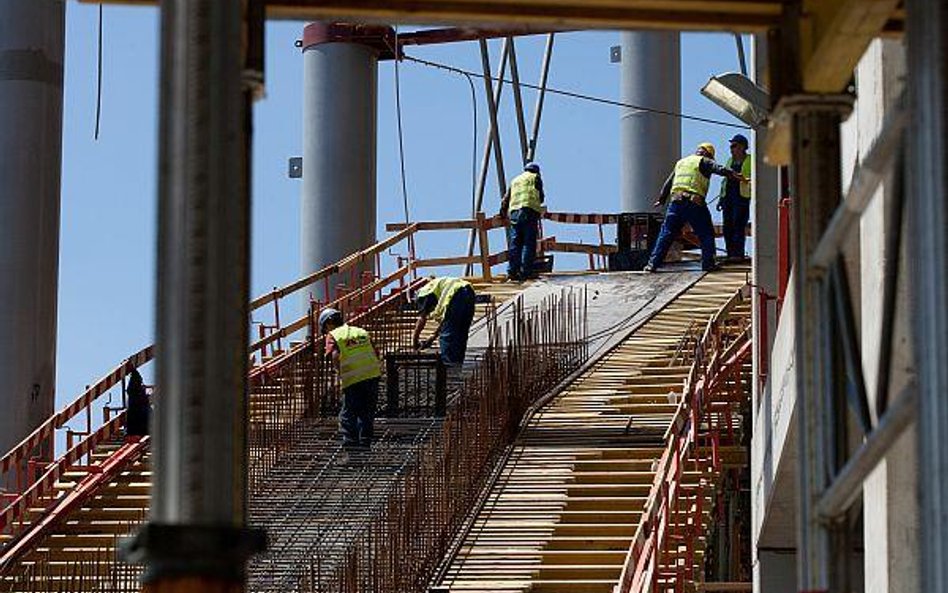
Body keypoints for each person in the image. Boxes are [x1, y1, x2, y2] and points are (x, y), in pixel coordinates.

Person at [644, 142, 748, 273]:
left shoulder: (681, 162)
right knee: (706, 233)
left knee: (666, 234)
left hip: (675, 203)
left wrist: (661, 199)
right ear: (708, 154)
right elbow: (719, 169)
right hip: (694, 203)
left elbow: (668, 182)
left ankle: (652, 264)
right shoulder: (704, 161)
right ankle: (708, 264)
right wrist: (734, 174)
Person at [320, 308, 381, 450]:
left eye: (324, 328)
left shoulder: (334, 335)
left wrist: (339, 373)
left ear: (329, 323)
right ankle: (365, 443)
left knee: (348, 413)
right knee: (366, 412)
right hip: (372, 375)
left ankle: (351, 445)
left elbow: (334, 355)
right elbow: (375, 351)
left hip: (353, 377)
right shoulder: (360, 331)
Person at [412, 276, 477, 365]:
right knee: (460, 335)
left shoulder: (422, 294)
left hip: (456, 295)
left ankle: (449, 369)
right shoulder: (438, 291)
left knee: (446, 338)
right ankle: (457, 368)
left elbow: (421, 319)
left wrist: (415, 341)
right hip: (469, 293)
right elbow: (446, 322)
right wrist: (433, 337)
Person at [500, 162, 545, 281]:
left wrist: (502, 213)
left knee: (515, 243)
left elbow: (505, 199)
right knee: (528, 243)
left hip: (514, 213)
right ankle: (526, 272)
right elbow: (541, 198)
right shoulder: (535, 178)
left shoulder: (515, 180)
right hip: (528, 211)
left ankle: (512, 272)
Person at [716, 134, 753, 260]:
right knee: (728, 226)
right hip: (728, 197)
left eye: (734, 146)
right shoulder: (729, 161)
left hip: (741, 197)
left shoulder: (751, 160)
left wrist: (745, 179)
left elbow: (755, 178)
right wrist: (721, 198)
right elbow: (725, 181)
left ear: (742, 147)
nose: (731, 149)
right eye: (731, 146)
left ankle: (738, 254)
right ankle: (730, 253)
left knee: (738, 225)